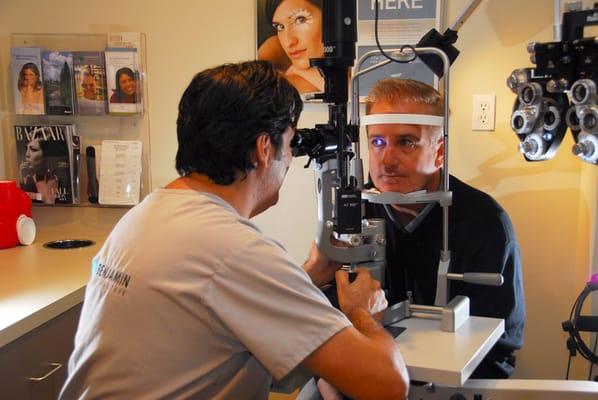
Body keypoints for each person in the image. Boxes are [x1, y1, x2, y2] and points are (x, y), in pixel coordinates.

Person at [59, 60, 409, 400]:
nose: (288, 160)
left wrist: (305, 277)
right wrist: (361, 311)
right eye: (288, 145)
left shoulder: (145, 216)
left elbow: (213, 299)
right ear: (262, 149)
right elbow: (386, 385)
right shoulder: (233, 250)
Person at [364, 78, 526, 379]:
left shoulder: (485, 223)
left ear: (439, 151)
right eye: (377, 142)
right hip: (369, 371)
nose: (387, 159)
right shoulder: (355, 210)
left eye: (405, 142)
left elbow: (502, 344)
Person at [259, 0, 324, 93]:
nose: (288, 42)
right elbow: (249, 87)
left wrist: (306, 73)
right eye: (280, 27)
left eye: (300, 20)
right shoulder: (276, 46)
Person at [18, 130, 60, 204]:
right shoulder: (27, 180)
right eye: (26, 148)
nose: (26, 154)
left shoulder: (60, 179)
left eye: (33, 149)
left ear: (47, 155)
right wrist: (22, 180)